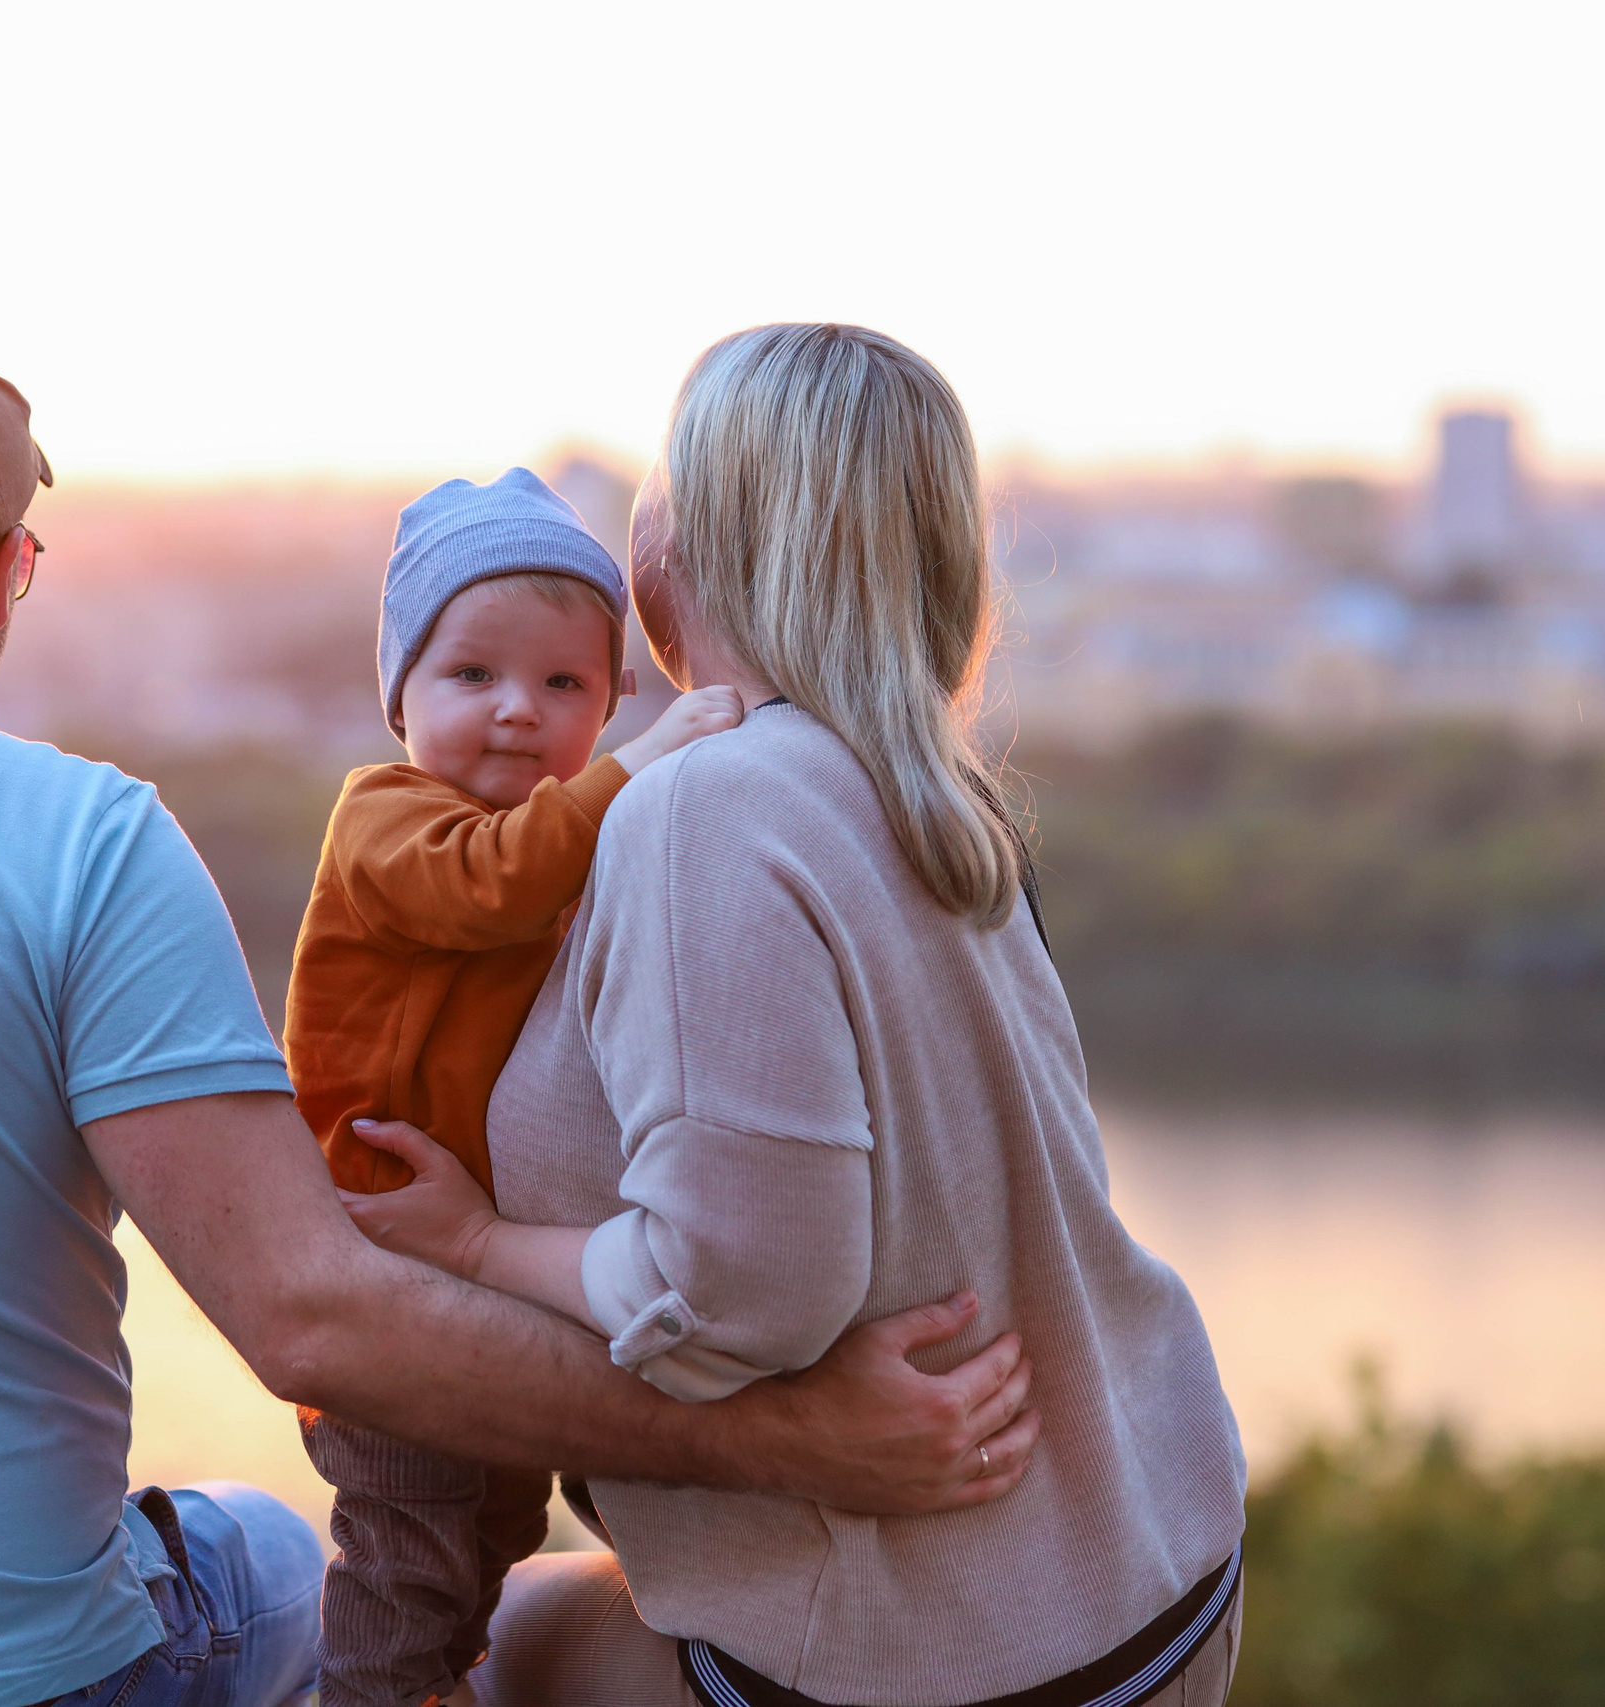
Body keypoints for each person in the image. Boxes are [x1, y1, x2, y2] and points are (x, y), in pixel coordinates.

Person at [0, 323, 1046, 1707]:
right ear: (5, 576)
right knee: (283, 1571)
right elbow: (311, 1318)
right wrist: (795, 1436)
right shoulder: (71, 840)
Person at [346, 324, 1249, 1707]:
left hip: (937, 1659)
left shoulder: (706, 807)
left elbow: (737, 1293)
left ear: (692, 542)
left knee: (433, 1641)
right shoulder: (935, 792)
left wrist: (479, 1240)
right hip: (1153, 1585)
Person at [287, 468, 744, 1707]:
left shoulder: (573, 838)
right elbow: (486, 884)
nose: (515, 714)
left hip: (494, 1278)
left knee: (496, 1530)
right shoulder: (387, 822)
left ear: (606, 694)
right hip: (392, 1280)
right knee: (407, 1553)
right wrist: (634, 773)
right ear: (400, 697)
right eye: (471, 676)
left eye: (563, 686)